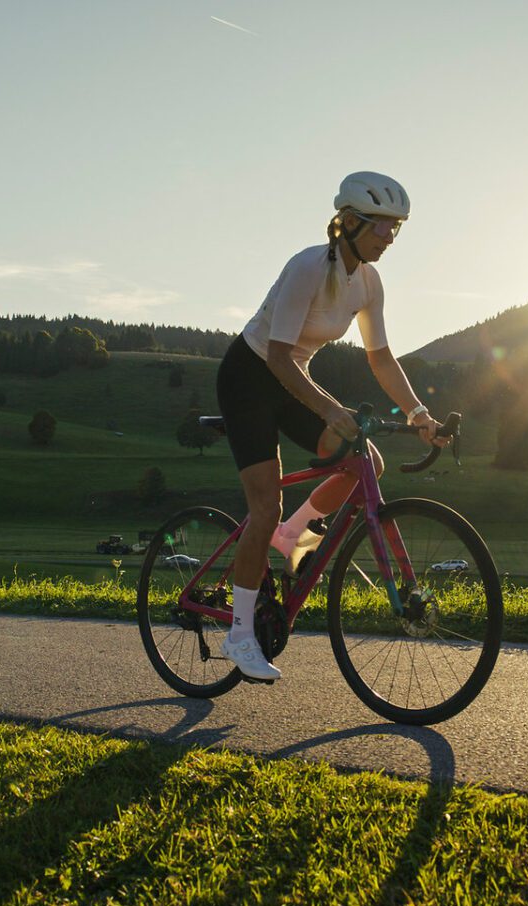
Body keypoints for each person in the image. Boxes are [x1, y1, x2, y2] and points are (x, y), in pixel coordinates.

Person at [214, 171, 443, 681]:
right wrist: (327, 408)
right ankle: (240, 635)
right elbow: (276, 354)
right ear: (350, 222)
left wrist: (416, 412)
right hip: (251, 378)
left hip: (291, 378)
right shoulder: (308, 268)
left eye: (396, 229)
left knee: (363, 462)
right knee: (263, 505)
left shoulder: (368, 281)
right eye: (382, 227)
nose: (390, 237)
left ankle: (291, 534)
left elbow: (381, 358)